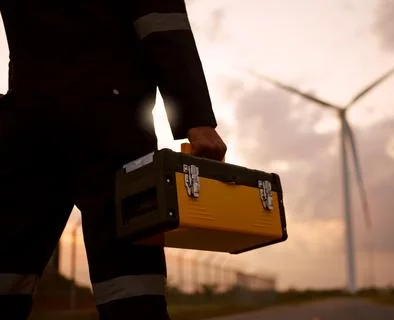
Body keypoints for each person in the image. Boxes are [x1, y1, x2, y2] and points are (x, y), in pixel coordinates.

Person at [0, 0, 226, 319]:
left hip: (26, 122)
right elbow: (161, 21)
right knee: (131, 280)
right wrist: (197, 118)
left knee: (8, 265)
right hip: (110, 124)